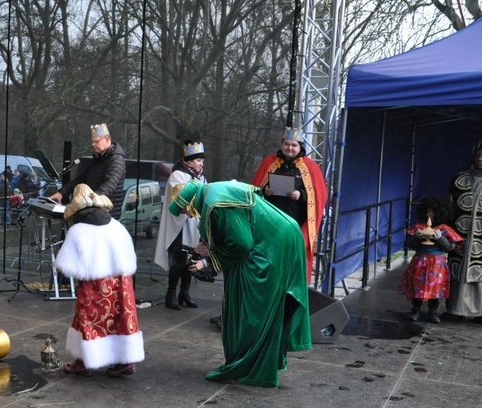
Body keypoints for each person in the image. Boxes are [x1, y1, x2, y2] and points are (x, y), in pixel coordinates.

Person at [169, 179, 311, 387]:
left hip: (273, 246)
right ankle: (254, 364)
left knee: (253, 310)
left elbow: (242, 244)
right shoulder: (214, 191)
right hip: (279, 237)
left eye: (184, 210)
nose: (187, 215)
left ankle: (251, 367)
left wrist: (208, 260)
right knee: (260, 308)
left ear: (189, 202)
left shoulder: (214, 204)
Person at [55, 183, 144, 377]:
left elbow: (66, 265)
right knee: (121, 317)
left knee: (88, 319)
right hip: (121, 282)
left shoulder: (79, 230)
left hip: (94, 285)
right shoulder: (116, 225)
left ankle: (84, 361)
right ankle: (125, 361)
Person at [252, 127, 327, 284]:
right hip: (270, 225)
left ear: (300, 146)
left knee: (291, 264)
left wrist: (300, 195)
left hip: (296, 224)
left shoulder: (310, 167)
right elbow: (254, 192)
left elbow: (319, 197)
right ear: (282, 144)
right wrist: (265, 191)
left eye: (294, 145)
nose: (290, 148)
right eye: (287, 144)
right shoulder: (269, 163)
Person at [154, 140, 208, 310]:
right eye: (198, 160)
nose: (201, 164)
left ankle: (184, 293)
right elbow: (179, 198)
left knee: (192, 258)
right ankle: (171, 294)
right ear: (189, 161)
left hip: (195, 223)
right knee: (179, 260)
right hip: (181, 224)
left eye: (202, 161)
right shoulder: (178, 175)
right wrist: (189, 207)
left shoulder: (201, 177)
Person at [399, 196, 462, 323]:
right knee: (417, 286)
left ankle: (433, 312)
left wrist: (440, 238)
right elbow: (409, 243)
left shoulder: (444, 229)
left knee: (436, 287)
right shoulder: (418, 227)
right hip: (420, 260)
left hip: (437, 263)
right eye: (428, 211)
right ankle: (415, 310)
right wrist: (417, 237)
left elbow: (450, 247)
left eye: (433, 212)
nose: (430, 214)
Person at [50, 123, 126, 218]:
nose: (93, 144)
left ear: (107, 139)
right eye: (92, 141)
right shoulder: (99, 159)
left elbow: (110, 184)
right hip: (95, 211)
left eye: (97, 141)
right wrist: (61, 193)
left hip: (107, 215)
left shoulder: (116, 159)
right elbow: (81, 178)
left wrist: (90, 200)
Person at [447, 140, 482, 321]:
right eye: (477, 154)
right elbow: (449, 208)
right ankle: (456, 309)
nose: (480, 158)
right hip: (460, 236)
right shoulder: (458, 179)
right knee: (457, 270)